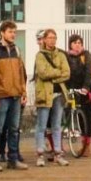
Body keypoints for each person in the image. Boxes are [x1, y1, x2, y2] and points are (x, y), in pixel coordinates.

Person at [0, 20, 28, 169]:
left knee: (14, 128)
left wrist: (23, 92)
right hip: (1, 95)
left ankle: (13, 158)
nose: (13, 35)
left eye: (14, 32)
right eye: (10, 32)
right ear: (2, 33)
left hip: (16, 95)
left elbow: (21, 73)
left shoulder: (17, 50)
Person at [34, 29, 71, 165]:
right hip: (44, 94)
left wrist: (53, 77)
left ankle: (58, 153)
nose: (52, 40)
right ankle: (40, 154)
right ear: (44, 39)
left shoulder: (61, 55)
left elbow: (67, 73)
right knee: (41, 125)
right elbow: (42, 73)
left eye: (54, 37)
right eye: (49, 37)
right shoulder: (40, 56)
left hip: (59, 94)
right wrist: (57, 73)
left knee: (56, 125)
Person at [65, 34, 91, 156]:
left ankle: (87, 145)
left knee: (87, 117)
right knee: (78, 117)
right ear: (70, 44)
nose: (77, 45)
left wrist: (86, 87)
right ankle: (81, 141)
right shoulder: (67, 56)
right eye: (75, 42)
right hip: (73, 89)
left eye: (80, 43)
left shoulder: (86, 55)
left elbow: (88, 72)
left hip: (87, 90)